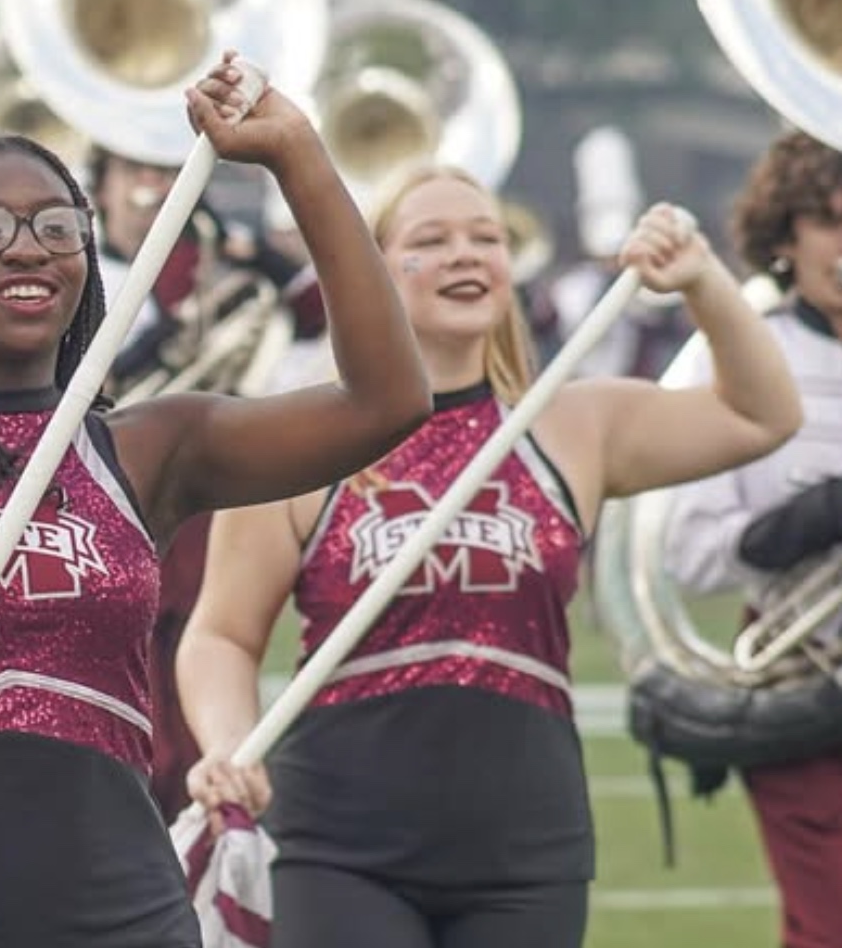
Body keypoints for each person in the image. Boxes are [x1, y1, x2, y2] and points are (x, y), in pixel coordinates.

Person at [0, 56, 434, 948]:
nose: (27, 247)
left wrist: (296, 154)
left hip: (125, 917)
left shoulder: (150, 448)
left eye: (57, 226)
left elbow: (386, 401)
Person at [175, 163, 802, 948]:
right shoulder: (307, 441)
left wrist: (704, 282)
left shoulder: (576, 424)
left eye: (486, 238)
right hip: (338, 845)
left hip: (527, 849)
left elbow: (763, 415)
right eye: (430, 241)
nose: (465, 255)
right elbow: (222, 635)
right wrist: (228, 744)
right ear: (370, 271)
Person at [86, 143, 315, 818]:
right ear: (101, 188)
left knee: (190, 698)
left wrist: (268, 261)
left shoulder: (211, 269)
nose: (152, 187)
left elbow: (318, 315)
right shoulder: (75, 267)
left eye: (163, 171)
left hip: (196, 519)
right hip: (103, 506)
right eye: (135, 172)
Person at [662, 129, 842, 948]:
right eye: (834, 223)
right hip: (811, 688)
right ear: (783, 238)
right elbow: (691, 555)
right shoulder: (739, 355)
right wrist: (807, 521)